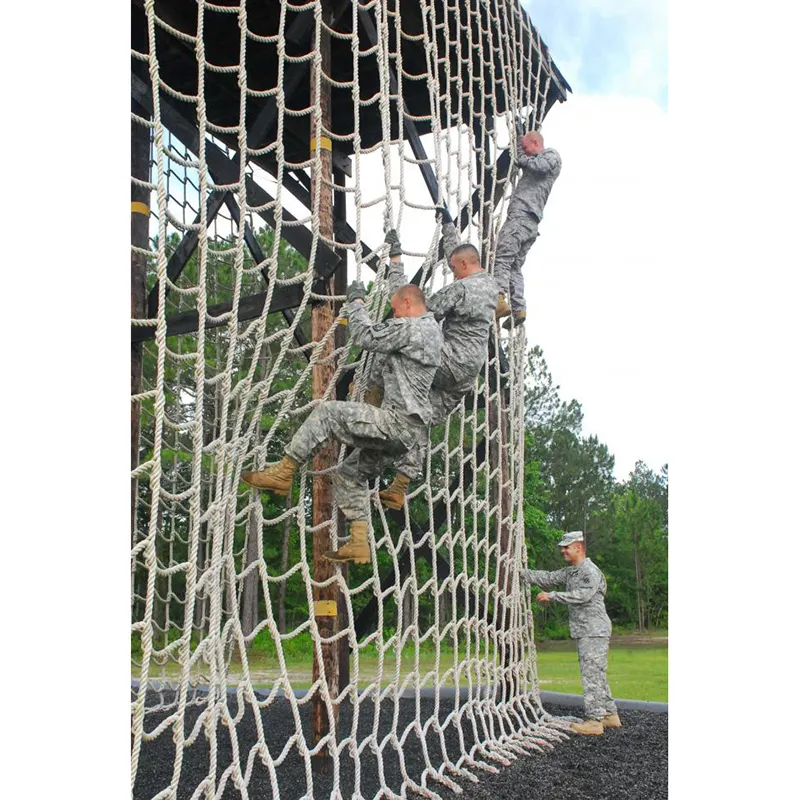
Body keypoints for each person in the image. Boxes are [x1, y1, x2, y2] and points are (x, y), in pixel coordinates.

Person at [241, 281, 443, 564]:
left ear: (408, 304)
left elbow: (364, 336)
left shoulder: (412, 328)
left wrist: (357, 302)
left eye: (396, 310)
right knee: (350, 473)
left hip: (395, 423)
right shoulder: (433, 331)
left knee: (327, 413)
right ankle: (359, 542)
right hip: (407, 435)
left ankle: (283, 472)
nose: (395, 315)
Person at [361, 210, 498, 509]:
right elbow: (459, 253)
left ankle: (369, 395)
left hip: (449, 361)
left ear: (463, 266)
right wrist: (448, 225)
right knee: (418, 412)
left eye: (453, 268)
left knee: (398, 340)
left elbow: (421, 309)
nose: (451, 271)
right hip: (466, 375)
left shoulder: (461, 288)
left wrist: (396, 268)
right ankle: (400, 485)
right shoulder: (490, 284)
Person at [521, 531, 622, 736]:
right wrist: (521, 573)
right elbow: (548, 577)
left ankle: (594, 721)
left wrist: (553, 596)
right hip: (587, 630)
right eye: (563, 547)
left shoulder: (589, 571)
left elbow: (583, 595)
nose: (563, 550)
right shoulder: (571, 572)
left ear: (578, 547)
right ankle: (610, 715)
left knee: (591, 675)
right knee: (597, 674)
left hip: (594, 630)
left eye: (567, 547)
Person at [494, 129, 561, 326]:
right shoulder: (536, 158)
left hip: (522, 217)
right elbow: (527, 158)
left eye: (525, 147)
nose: (523, 152)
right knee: (515, 266)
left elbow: (539, 165)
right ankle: (518, 308)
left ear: (535, 143)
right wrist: (518, 132)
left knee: (503, 257)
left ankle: (498, 297)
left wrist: (521, 159)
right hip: (528, 223)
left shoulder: (551, 155)